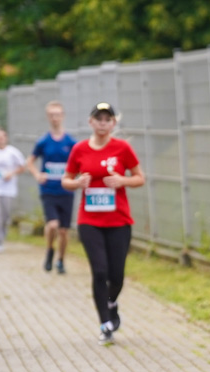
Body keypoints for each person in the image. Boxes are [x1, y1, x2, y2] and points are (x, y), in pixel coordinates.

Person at [62, 103, 145, 345]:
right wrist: (77, 183)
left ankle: (112, 302)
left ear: (113, 124)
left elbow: (140, 178)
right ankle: (105, 323)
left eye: (107, 119)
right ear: (91, 122)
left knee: (116, 274)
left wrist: (122, 180)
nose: (102, 123)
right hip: (90, 220)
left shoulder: (122, 148)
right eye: (98, 118)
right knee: (99, 271)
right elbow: (66, 180)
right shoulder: (79, 149)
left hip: (118, 219)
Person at [26, 101, 77, 274]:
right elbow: (30, 161)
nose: (55, 118)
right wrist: (37, 175)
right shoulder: (43, 141)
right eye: (52, 115)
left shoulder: (70, 141)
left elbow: (78, 162)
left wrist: (74, 177)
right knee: (53, 225)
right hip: (49, 190)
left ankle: (61, 260)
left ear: (63, 116)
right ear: (48, 118)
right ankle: (49, 250)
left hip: (66, 191)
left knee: (63, 230)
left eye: (58, 114)